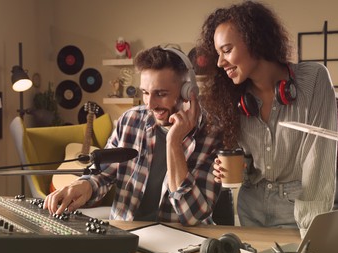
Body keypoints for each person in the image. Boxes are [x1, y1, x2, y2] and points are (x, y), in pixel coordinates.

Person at [197, 1, 337, 237]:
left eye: (227, 50)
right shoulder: (233, 97)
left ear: (255, 40)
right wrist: (237, 168)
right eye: (218, 54)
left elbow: (319, 160)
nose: (220, 63)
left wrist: (311, 231)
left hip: (297, 211)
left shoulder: (314, 80)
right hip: (250, 209)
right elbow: (249, 166)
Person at [44, 46, 222, 225]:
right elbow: (103, 174)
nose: (150, 105)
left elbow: (192, 216)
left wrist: (173, 142)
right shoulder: (131, 120)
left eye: (161, 94)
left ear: (188, 93)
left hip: (182, 241)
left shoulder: (211, 134)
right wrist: (84, 185)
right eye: (145, 93)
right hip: (127, 235)